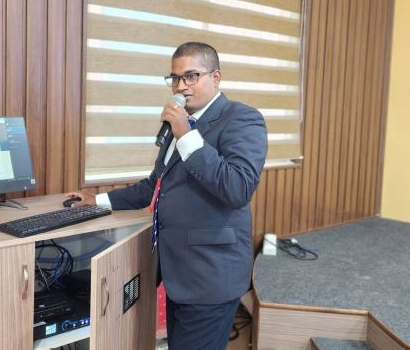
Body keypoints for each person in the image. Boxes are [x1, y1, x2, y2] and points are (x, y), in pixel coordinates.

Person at [67, 42, 267, 349]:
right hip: (178, 273)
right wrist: (98, 201)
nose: (181, 86)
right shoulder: (181, 124)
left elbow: (237, 188)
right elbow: (154, 186)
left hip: (210, 275)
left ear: (215, 77)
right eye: (175, 78)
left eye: (191, 76)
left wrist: (186, 134)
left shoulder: (240, 118)